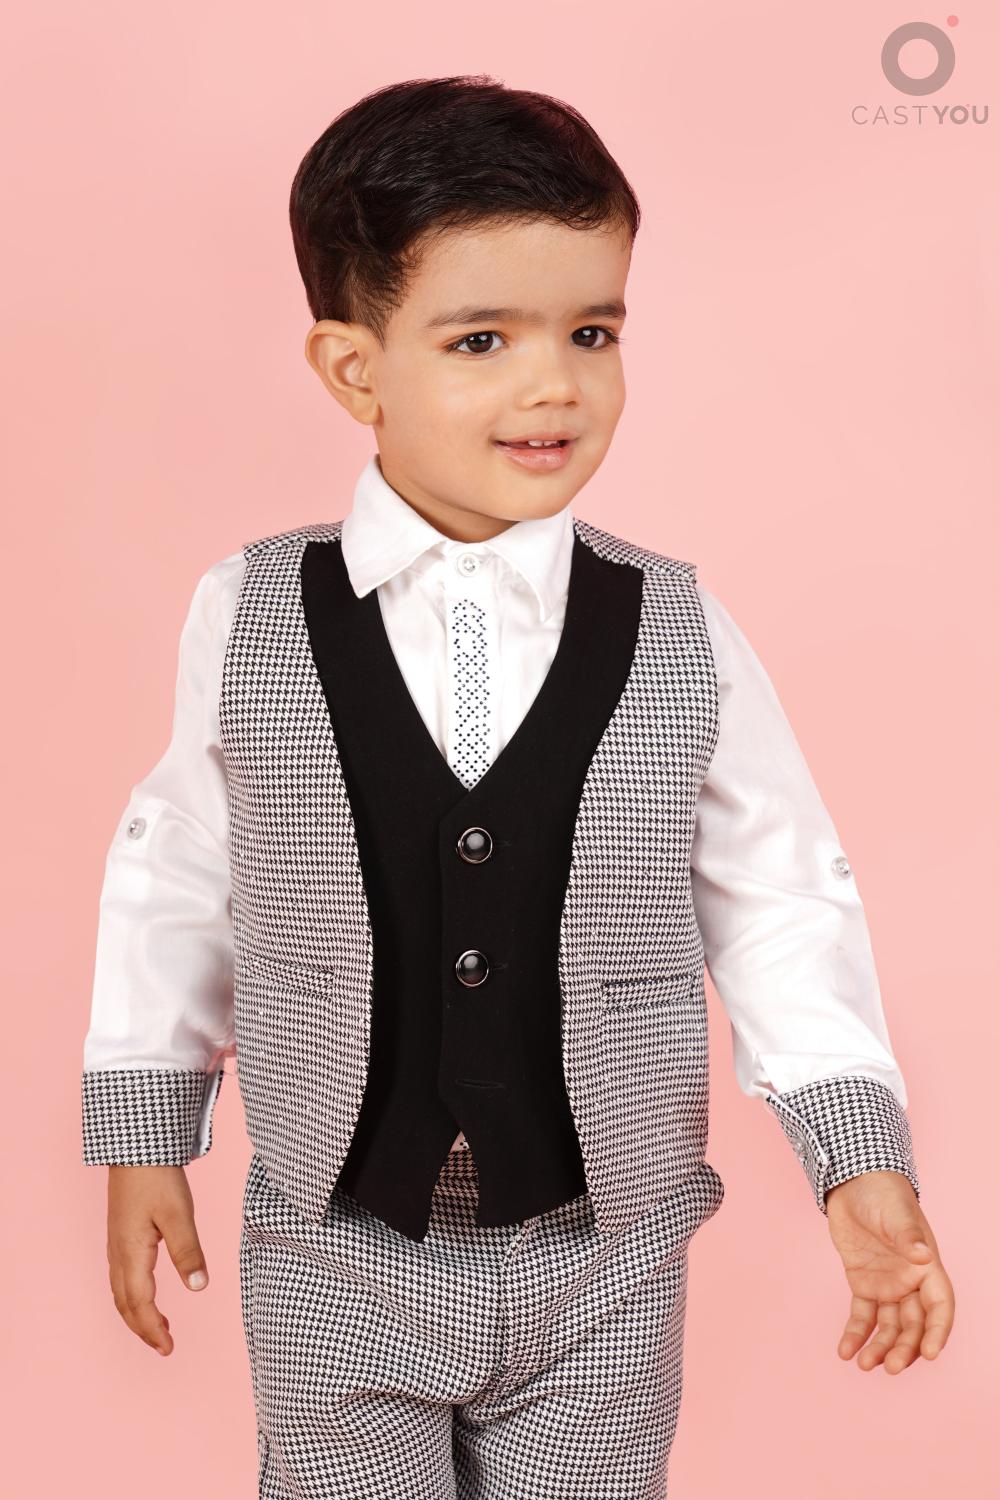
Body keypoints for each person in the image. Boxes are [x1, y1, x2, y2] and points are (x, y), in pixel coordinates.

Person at [81, 74, 954, 1499]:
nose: (554, 384)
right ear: (354, 369)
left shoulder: (676, 625)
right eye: (482, 339)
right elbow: (179, 868)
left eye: (592, 332)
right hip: (333, 1248)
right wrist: (144, 1132)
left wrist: (855, 1155)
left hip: (603, 1258)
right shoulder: (248, 610)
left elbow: (783, 895)